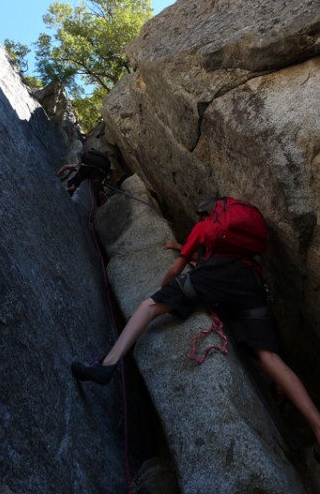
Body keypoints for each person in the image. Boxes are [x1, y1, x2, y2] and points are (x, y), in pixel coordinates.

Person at [71, 196, 320, 459]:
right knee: (269, 357)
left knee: (149, 307)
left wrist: (164, 289)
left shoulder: (202, 228)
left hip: (217, 275)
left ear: (206, 215)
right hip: (251, 281)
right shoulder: (239, 242)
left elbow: (176, 269)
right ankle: (316, 425)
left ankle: (107, 364)